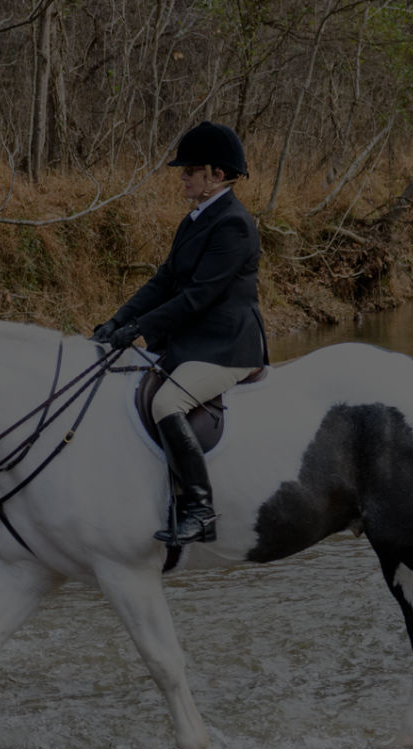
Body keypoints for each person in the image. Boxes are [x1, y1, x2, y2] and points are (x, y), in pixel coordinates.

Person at [92, 120, 268, 546]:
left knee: (168, 402)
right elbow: (165, 280)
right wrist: (118, 321)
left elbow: (198, 298)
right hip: (192, 341)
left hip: (226, 346)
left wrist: (138, 330)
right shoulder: (196, 218)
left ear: (217, 175)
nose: (182, 176)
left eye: (190, 170)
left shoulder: (234, 225)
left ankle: (200, 510)